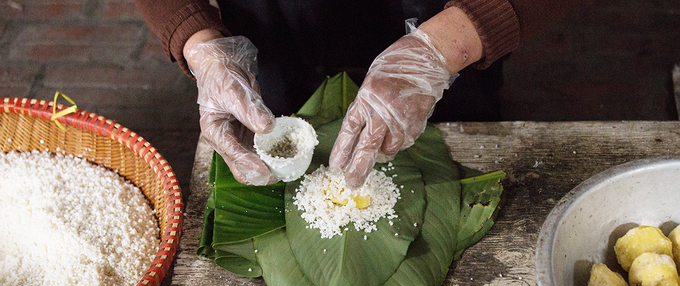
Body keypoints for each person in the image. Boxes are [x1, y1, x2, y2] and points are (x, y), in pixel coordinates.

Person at [134, 0, 578, 187]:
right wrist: (199, 42)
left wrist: (446, 44)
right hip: (273, 35)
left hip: (446, 35)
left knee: (457, 158)